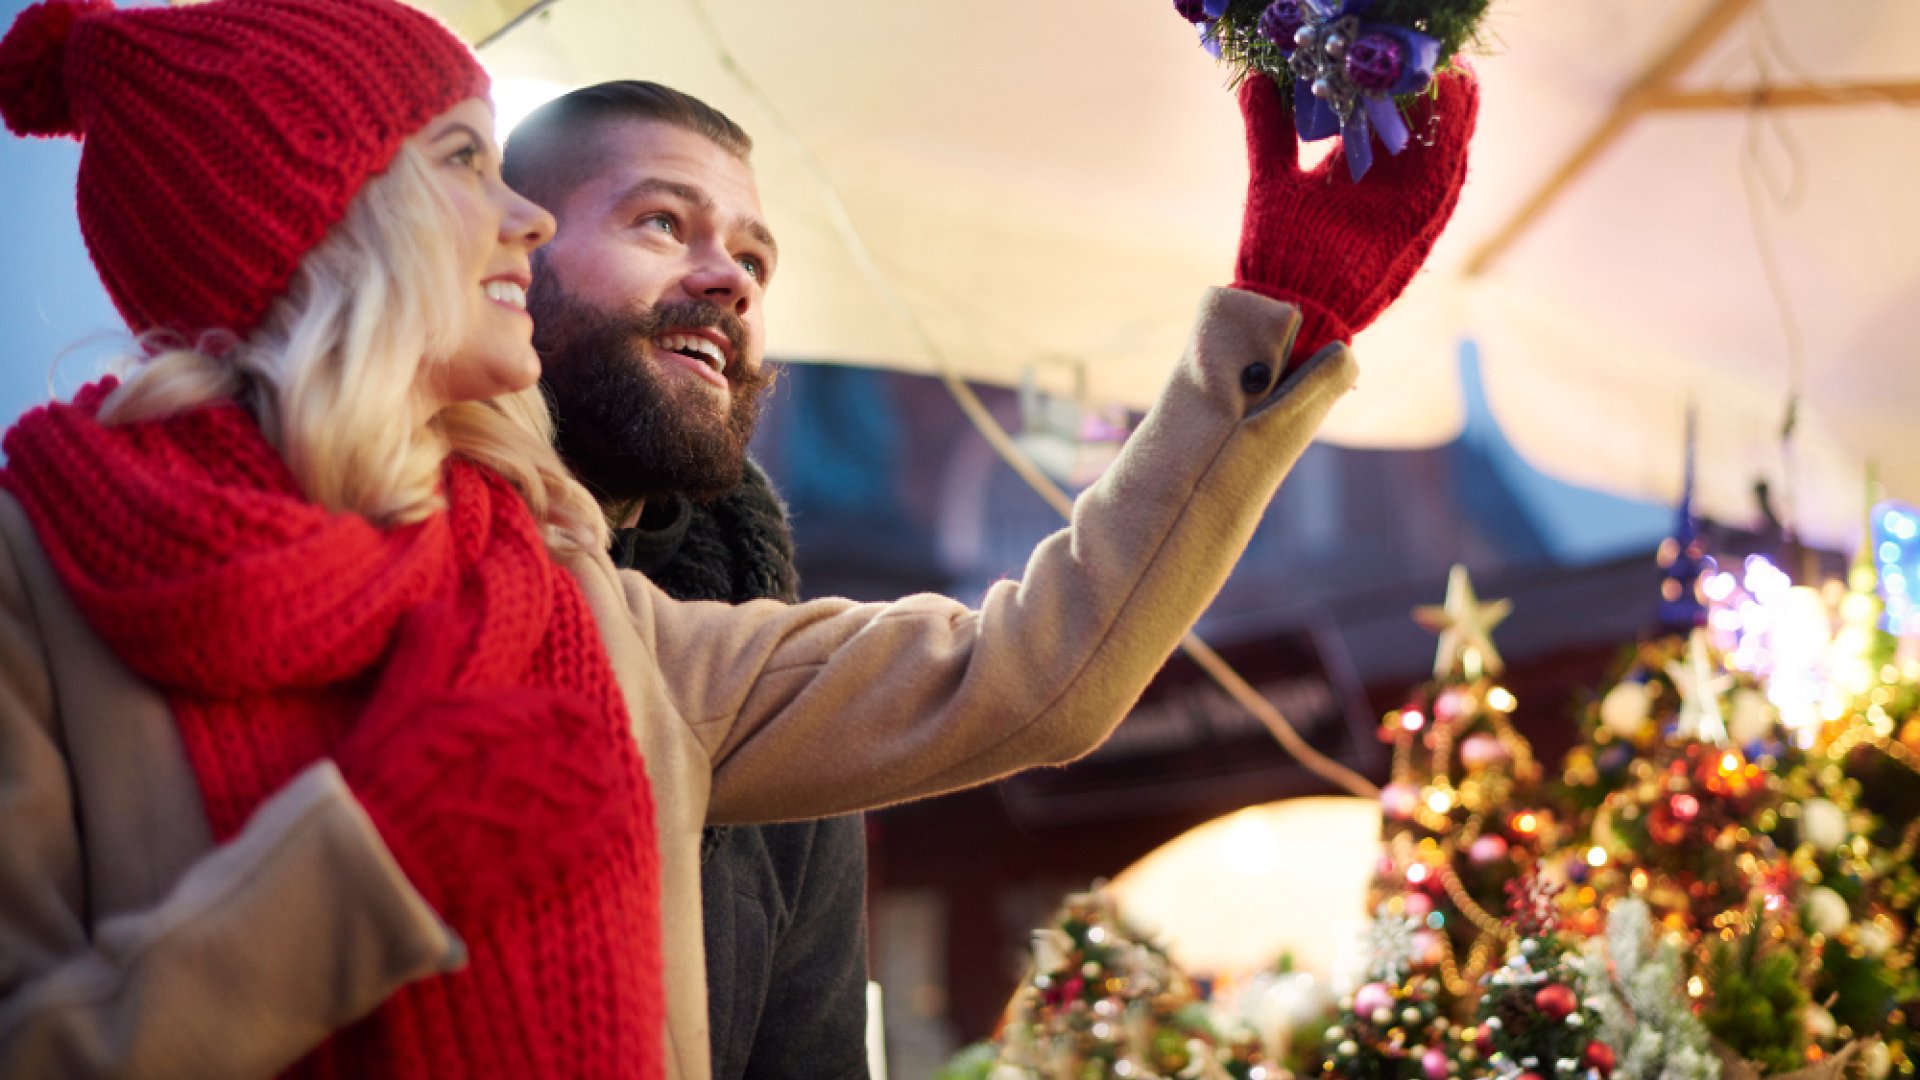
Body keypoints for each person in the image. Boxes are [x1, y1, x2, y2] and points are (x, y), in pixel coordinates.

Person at [0, 2, 1472, 1079]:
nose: (510, 216)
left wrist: (1284, 318)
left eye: (755, 255)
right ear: (328, 210)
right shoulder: (36, 578)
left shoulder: (584, 606)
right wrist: (369, 868)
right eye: (464, 161)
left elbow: (1029, 675)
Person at [503, 82, 870, 1080]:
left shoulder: (770, 686)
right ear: (506, 258)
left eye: (753, 259)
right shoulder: (364, 560)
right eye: (663, 222)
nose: (733, 283)